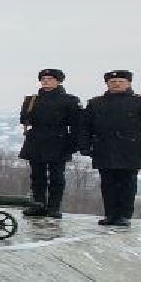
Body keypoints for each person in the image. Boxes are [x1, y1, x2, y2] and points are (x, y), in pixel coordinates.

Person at [81, 70, 141, 226]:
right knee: (107, 184)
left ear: (128, 83)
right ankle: (110, 214)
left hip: (132, 149)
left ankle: (124, 216)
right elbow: (85, 127)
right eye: (112, 82)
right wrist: (85, 146)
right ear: (107, 84)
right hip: (104, 148)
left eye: (120, 81)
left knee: (127, 183)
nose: (116, 84)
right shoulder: (95, 103)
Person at [19, 68, 82, 218]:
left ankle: (54, 207)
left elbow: (77, 124)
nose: (46, 82)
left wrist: (73, 145)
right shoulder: (31, 100)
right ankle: (38, 204)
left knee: (56, 177)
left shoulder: (69, 100)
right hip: (36, 140)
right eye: (44, 79)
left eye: (50, 79)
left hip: (59, 140)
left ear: (58, 81)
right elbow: (24, 119)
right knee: (37, 176)